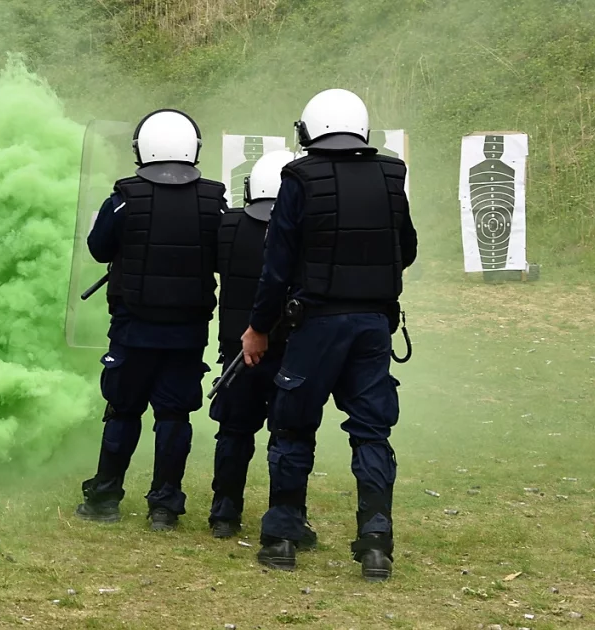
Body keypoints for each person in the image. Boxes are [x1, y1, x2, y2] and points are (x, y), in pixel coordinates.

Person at [240, 88, 418, 581]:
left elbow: (276, 266)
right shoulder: (392, 174)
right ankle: (376, 544)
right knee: (372, 432)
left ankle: (281, 539)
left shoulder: (298, 177)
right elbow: (406, 249)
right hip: (373, 325)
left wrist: (258, 327)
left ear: (308, 130)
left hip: (316, 325)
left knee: (293, 428)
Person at [75, 109, 226, 532]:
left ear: (142, 148)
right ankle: (164, 507)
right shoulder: (215, 201)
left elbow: (99, 249)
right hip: (188, 333)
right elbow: (224, 258)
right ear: (193, 148)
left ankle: (105, 498)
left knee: (123, 412)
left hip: (132, 330)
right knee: (174, 417)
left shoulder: (124, 197)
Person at [208, 149, 316, 549]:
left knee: (233, 432)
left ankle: (224, 513)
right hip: (292, 352)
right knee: (289, 437)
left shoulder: (229, 225)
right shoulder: (308, 229)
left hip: (239, 351)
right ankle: (289, 518)